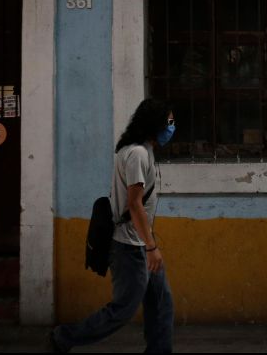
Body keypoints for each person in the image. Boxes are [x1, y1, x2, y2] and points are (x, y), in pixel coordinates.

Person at [52, 98, 176, 353]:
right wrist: (152, 248)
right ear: (155, 123)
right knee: (122, 310)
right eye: (169, 122)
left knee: (161, 303)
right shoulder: (137, 154)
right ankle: (63, 338)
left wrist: (149, 243)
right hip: (130, 246)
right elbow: (134, 204)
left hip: (140, 241)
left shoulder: (141, 149)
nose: (172, 127)